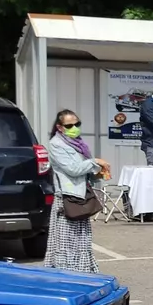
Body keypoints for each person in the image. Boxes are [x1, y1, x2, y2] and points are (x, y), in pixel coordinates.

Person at [44, 109, 108, 273]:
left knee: (82, 240)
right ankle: (66, 272)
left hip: (81, 195)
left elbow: (82, 171)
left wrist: (96, 174)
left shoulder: (78, 144)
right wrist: (95, 161)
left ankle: (83, 270)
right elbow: (72, 169)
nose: (74, 127)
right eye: (69, 125)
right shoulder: (56, 145)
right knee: (66, 241)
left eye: (77, 124)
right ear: (59, 127)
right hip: (67, 198)